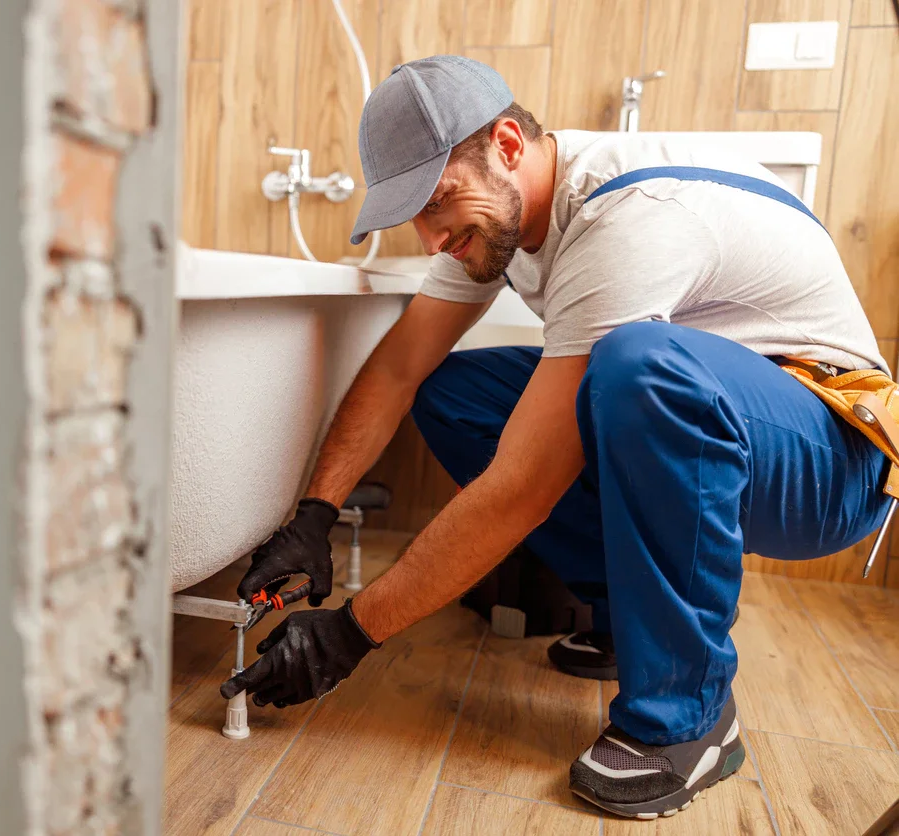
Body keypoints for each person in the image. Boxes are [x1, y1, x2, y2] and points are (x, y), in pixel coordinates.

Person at [218, 55, 890, 820]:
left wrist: (350, 633)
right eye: (416, 217)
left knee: (636, 366)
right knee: (457, 392)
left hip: (831, 456)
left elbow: (524, 487)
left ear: (507, 144)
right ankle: (625, 619)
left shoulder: (627, 215)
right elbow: (401, 368)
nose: (434, 237)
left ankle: (691, 716)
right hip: (725, 419)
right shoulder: (495, 222)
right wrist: (314, 514)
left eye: (439, 203)